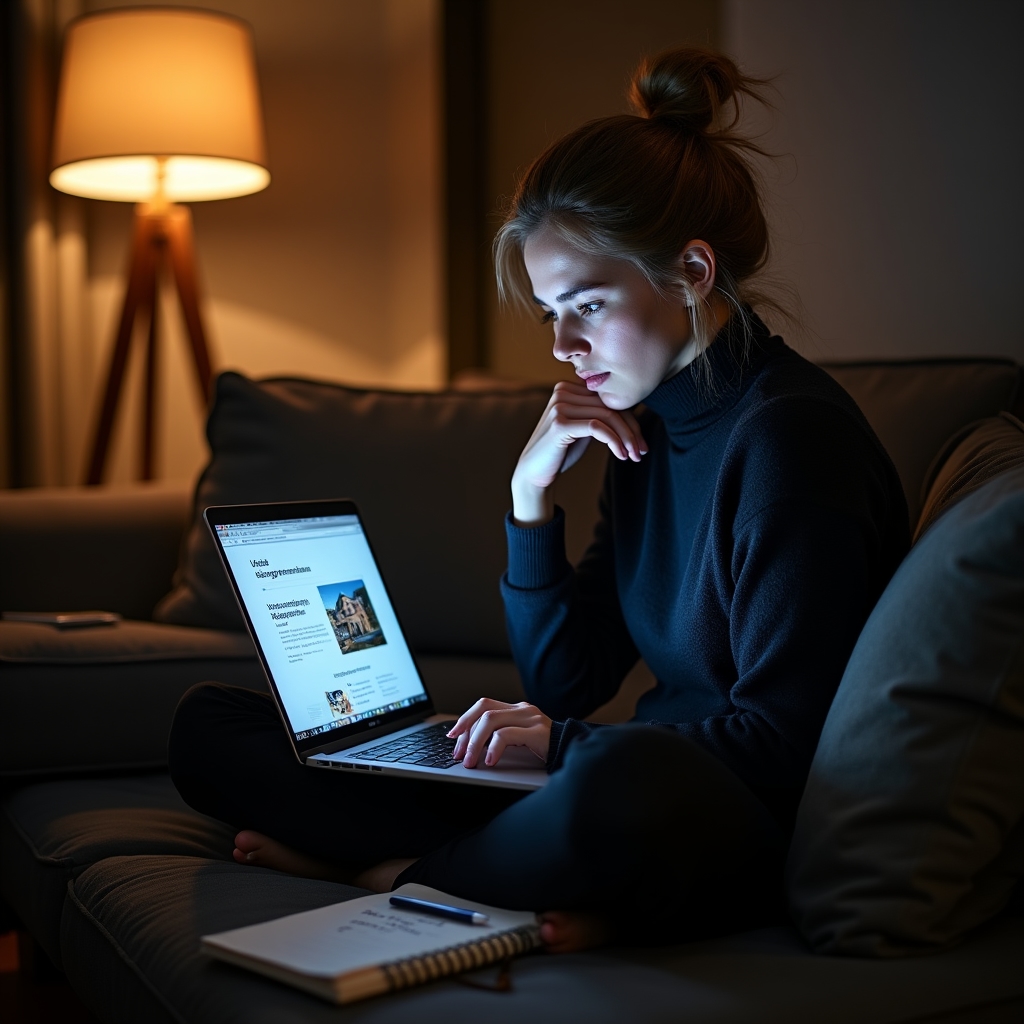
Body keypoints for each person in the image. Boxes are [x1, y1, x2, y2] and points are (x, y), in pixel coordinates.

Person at [168, 47, 909, 952]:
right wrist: (529, 499)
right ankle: (488, 868)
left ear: (693, 271)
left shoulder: (793, 442)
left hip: (708, 813)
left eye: (587, 305)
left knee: (621, 779)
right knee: (211, 725)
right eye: (551, 311)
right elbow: (568, 680)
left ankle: (397, 875)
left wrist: (559, 749)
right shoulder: (643, 424)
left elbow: (782, 747)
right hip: (599, 790)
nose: (562, 343)